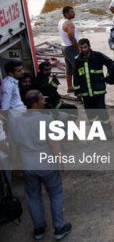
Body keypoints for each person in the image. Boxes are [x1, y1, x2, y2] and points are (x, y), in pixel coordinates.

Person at [11, 90, 72, 240]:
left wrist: (16, 164)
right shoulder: (46, 120)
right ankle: (59, 227)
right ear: (35, 103)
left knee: (33, 197)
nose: (44, 102)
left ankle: (39, 229)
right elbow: (53, 144)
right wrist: (63, 162)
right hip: (46, 164)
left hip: (27, 165)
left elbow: (14, 145)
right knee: (55, 194)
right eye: (41, 100)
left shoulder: (16, 121)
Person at [73, 38, 113, 125]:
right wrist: (77, 92)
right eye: (81, 48)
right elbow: (76, 76)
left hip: (98, 89)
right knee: (90, 111)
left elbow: (110, 63)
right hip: (85, 91)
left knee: (101, 109)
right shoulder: (77, 60)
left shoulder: (98, 56)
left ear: (89, 46)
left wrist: (108, 77)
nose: (83, 49)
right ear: (78, 48)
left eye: (85, 47)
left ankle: (107, 129)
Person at [58, 6, 80, 94]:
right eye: (71, 12)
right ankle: (78, 91)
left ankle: (70, 87)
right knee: (77, 68)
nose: (74, 13)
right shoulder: (69, 24)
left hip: (64, 47)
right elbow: (71, 36)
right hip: (71, 48)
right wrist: (78, 47)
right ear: (66, 14)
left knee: (69, 68)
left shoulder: (61, 21)